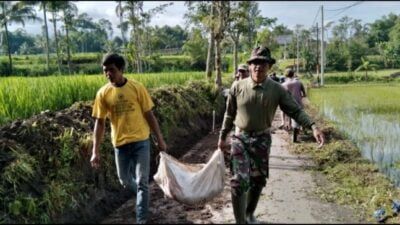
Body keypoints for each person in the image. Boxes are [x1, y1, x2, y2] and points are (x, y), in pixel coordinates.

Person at [217, 46, 324, 224]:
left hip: (262, 139)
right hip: (240, 138)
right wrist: (222, 137)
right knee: (238, 181)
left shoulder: (277, 90)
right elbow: (229, 114)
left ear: (269, 67)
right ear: (250, 66)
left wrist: (313, 126)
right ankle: (240, 221)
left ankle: (250, 213)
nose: (258, 67)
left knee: (258, 179)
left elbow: (295, 111)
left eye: (262, 63)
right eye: (255, 63)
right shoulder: (237, 87)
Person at [90, 53, 167, 224]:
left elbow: (149, 115)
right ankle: (144, 196)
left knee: (141, 181)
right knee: (124, 180)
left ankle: (142, 219)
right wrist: (95, 151)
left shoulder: (137, 88)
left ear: (121, 69)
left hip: (141, 141)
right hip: (120, 144)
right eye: (105, 71)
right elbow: (100, 123)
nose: (108, 74)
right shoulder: (103, 93)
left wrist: (159, 139)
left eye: (112, 70)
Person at [281, 68, 307, 142]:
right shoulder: (299, 82)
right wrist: (301, 96)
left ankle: (283, 122)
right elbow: (304, 94)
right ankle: (301, 127)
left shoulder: (283, 84)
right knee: (300, 115)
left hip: (287, 104)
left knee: (282, 110)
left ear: (285, 75)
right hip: (298, 103)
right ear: (293, 74)